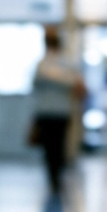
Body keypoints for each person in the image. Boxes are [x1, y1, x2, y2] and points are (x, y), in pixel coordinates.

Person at [29, 25, 84, 194]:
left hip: (46, 112)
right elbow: (76, 84)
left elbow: (34, 85)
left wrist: (51, 76)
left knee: (49, 147)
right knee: (58, 145)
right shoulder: (67, 64)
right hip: (61, 112)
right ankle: (56, 178)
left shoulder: (41, 65)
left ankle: (53, 178)